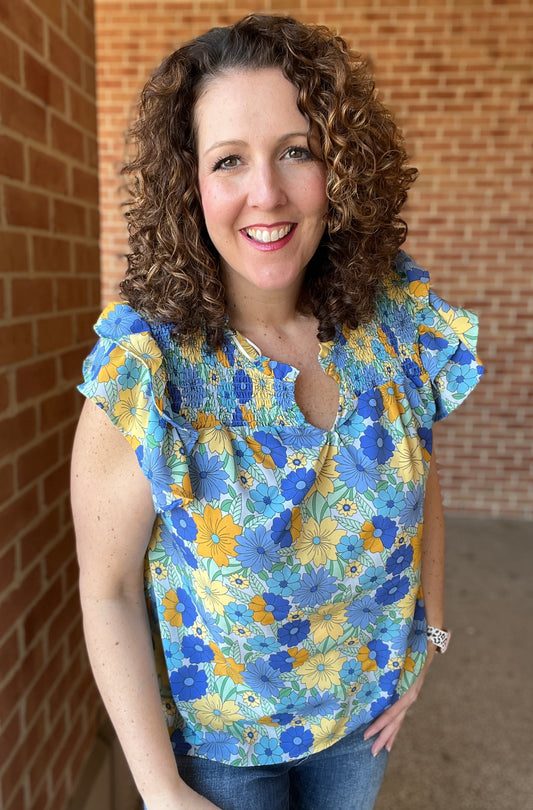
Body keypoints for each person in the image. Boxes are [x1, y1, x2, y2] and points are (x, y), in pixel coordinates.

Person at [71, 14, 483, 810]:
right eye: (229, 160)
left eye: (296, 150)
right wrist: (159, 792)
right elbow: (108, 589)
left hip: (364, 717)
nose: (267, 193)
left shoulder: (393, 323)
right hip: (225, 749)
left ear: (340, 165)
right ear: (189, 185)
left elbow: (417, 481)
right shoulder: (148, 374)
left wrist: (429, 637)